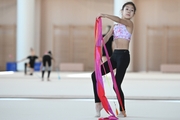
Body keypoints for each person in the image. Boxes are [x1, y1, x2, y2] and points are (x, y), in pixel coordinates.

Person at [91, 1, 136, 118]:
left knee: (116, 84)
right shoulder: (115, 27)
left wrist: (105, 15)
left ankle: (122, 110)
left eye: (132, 10)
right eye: (127, 9)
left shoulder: (129, 24)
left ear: (133, 14)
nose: (129, 11)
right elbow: (105, 39)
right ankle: (98, 103)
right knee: (95, 75)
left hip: (124, 56)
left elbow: (120, 20)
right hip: (115, 56)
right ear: (122, 11)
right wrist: (98, 46)